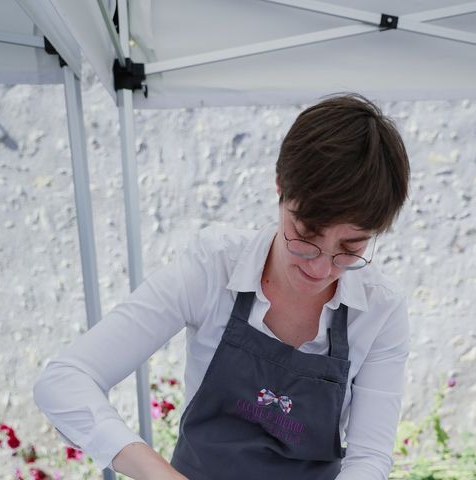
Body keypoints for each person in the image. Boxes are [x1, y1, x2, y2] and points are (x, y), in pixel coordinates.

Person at [33, 92, 411, 480]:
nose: (320, 267)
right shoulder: (213, 267)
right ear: (280, 186)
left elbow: (369, 458)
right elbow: (64, 381)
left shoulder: (380, 308)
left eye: (350, 249)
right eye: (306, 234)